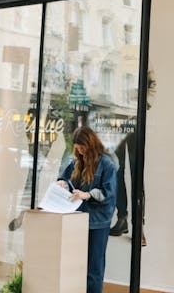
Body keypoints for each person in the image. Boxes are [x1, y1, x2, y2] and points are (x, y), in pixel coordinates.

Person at [57, 126, 116, 293]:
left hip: (97, 222)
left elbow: (109, 194)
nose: (80, 151)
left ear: (90, 143)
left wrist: (87, 194)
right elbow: (64, 177)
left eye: (82, 147)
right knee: (75, 265)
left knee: (94, 268)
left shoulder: (106, 164)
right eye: (77, 148)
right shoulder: (76, 161)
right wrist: (61, 181)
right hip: (76, 219)